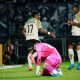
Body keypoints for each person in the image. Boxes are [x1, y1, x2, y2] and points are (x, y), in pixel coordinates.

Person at [67, 4, 80, 70]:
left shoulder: (79, 15)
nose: (73, 10)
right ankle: (72, 63)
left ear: (77, 9)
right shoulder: (74, 16)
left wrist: (73, 23)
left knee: (78, 48)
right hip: (73, 34)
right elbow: (74, 24)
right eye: (72, 9)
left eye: (74, 9)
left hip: (79, 34)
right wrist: (70, 23)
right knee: (69, 47)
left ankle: (79, 63)